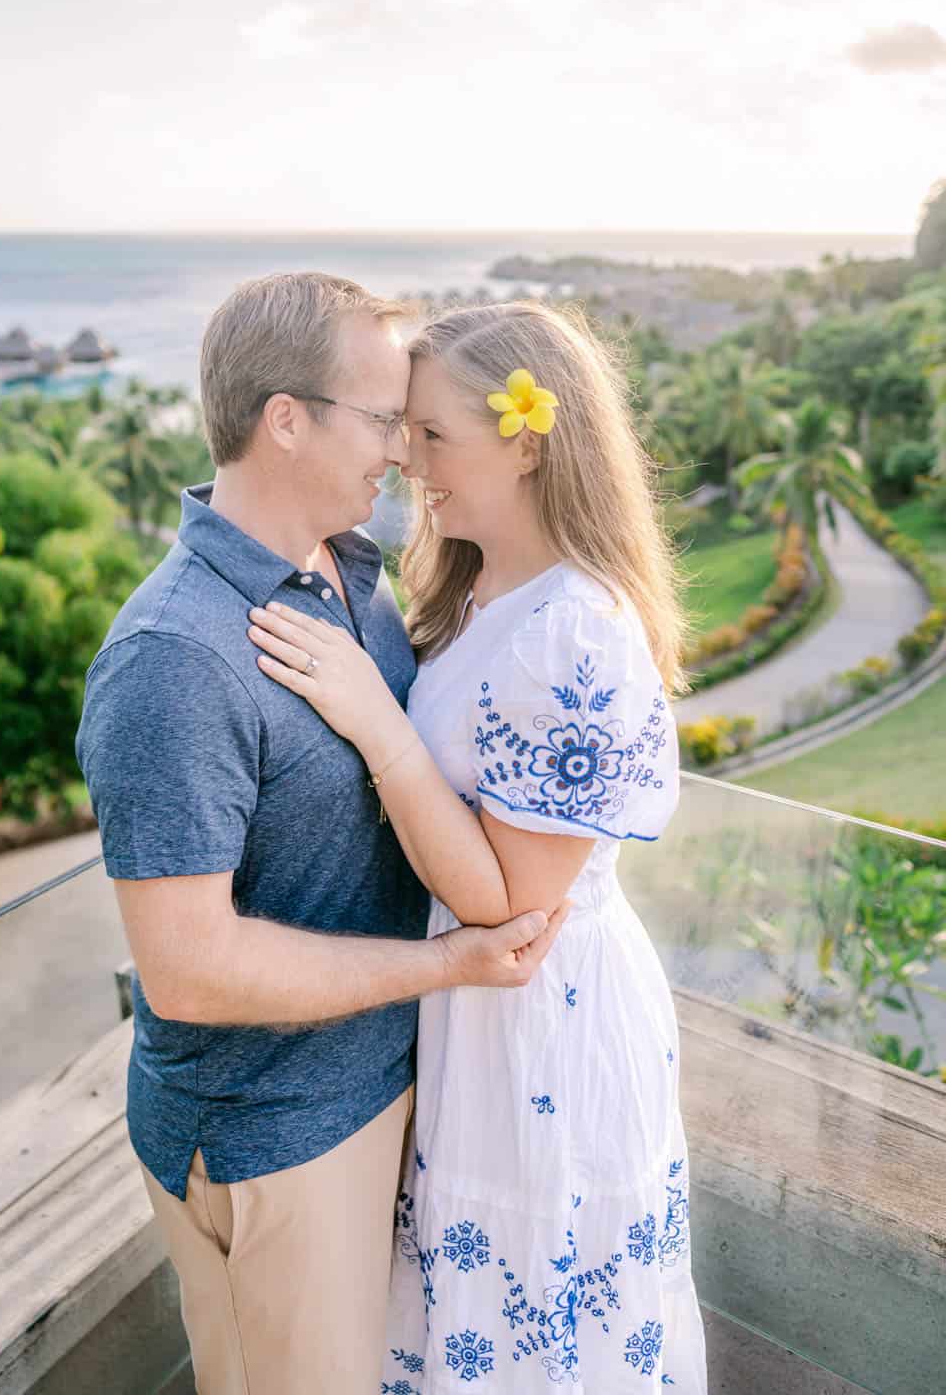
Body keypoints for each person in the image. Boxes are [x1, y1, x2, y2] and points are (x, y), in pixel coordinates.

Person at [75, 272, 568, 1395]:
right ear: (285, 420)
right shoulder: (174, 659)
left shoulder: (351, 578)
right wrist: (445, 966)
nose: (400, 450)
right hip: (275, 1134)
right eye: (382, 418)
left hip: (378, 1091)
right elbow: (190, 971)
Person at [247, 300, 708, 1393]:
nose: (408, 459)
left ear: (528, 439)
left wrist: (375, 720)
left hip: (543, 1016)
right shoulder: (480, 588)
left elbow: (513, 902)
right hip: (477, 1015)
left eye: (433, 434)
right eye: (402, 430)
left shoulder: (577, 632)